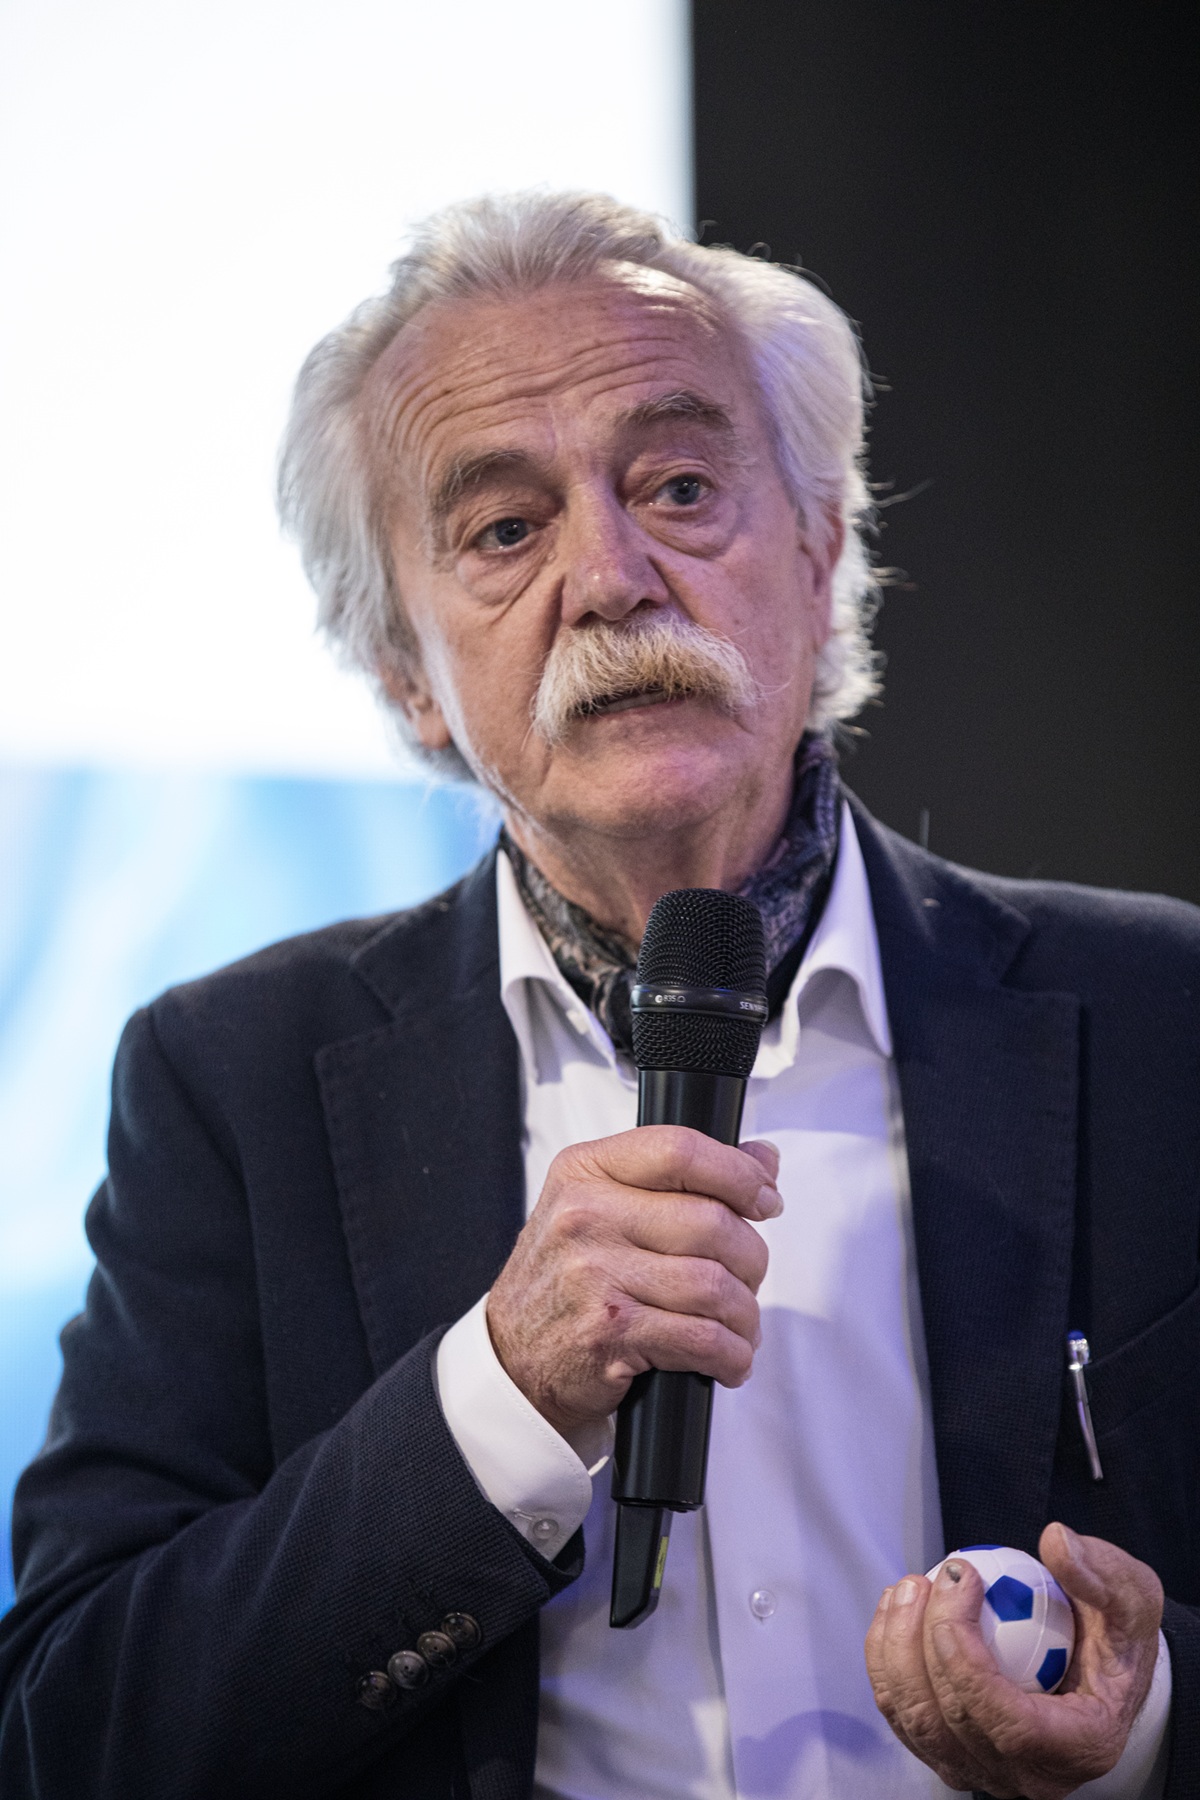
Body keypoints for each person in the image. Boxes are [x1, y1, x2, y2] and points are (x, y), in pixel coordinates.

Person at [0, 191, 1196, 1800]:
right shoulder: (233, 1079)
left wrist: (1146, 1724)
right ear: (407, 672)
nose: (612, 575)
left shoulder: (1163, 1020)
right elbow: (77, 1724)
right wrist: (498, 1397)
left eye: (680, 488)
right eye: (506, 529)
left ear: (821, 551)